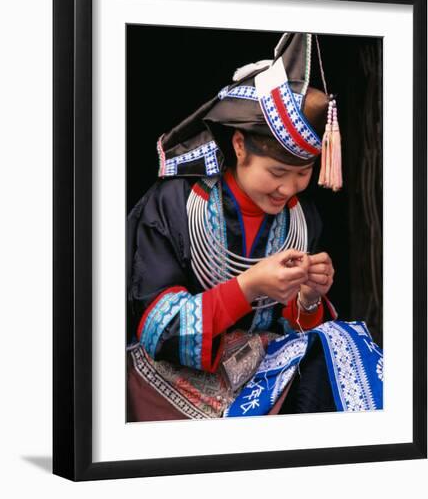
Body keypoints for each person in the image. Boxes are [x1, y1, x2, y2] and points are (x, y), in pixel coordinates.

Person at [127, 32, 383, 421]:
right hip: (176, 378)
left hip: (264, 370)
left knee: (342, 345)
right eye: (278, 171)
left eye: (303, 173)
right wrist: (248, 287)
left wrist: (309, 299)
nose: (289, 187)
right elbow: (155, 329)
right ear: (240, 146)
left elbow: (292, 329)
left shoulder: (302, 217)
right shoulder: (174, 204)